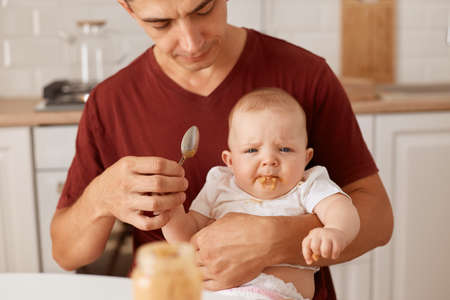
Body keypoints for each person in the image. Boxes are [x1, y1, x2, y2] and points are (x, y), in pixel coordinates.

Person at [50, 0, 394, 299]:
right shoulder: (111, 102)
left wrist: (276, 239)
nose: (190, 41)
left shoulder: (304, 75)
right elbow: (67, 254)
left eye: (203, 9)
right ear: (128, 9)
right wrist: (100, 197)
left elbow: (379, 221)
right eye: (161, 23)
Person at [162, 87, 361, 300]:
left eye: (284, 149)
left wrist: (335, 230)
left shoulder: (307, 184)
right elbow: (186, 240)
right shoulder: (220, 184)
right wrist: (169, 210)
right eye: (251, 150)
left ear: (306, 157)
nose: (269, 160)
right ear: (230, 161)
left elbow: (341, 208)